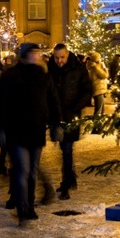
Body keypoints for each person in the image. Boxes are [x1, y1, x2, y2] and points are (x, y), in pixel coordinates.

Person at [0, 43, 60, 225]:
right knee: (23, 170)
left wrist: (56, 123)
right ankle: (22, 208)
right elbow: (1, 103)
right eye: (34, 53)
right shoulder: (11, 75)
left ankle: (29, 205)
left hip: (36, 130)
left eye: (39, 53)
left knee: (31, 171)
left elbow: (53, 100)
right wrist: (0, 127)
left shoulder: (43, 76)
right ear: (25, 56)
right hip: (16, 131)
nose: (38, 56)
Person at [47, 43, 94, 200]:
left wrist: (76, 106)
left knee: (67, 150)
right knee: (63, 149)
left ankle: (66, 184)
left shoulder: (78, 68)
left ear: (68, 55)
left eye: (62, 57)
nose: (59, 61)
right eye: (56, 58)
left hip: (71, 115)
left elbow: (88, 90)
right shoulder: (50, 68)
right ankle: (70, 179)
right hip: (55, 116)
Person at [85, 51, 109, 116]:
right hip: (98, 90)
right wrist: (105, 68)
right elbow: (105, 75)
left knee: (102, 110)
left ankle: (100, 123)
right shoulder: (96, 67)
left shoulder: (92, 66)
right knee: (98, 111)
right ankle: (95, 123)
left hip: (97, 89)